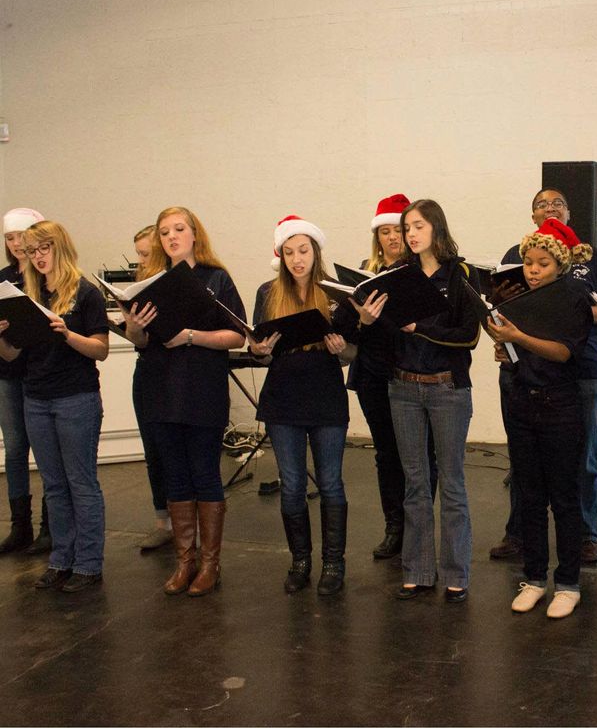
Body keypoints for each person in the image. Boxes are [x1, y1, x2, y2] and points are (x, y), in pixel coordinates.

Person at [489, 188, 597, 564]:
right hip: (523, 368)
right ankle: (519, 535)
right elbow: (501, 307)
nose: (549, 209)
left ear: (569, 214)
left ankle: (584, 537)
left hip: (584, 371)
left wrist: (573, 314)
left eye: (557, 204)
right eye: (541, 205)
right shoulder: (515, 257)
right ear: (532, 217)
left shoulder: (593, 260)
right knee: (523, 460)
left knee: (583, 461)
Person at [125, 206, 245, 597]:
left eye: (179, 229)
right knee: (174, 474)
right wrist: (134, 329)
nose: (172, 236)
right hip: (160, 387)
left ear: (196, 234)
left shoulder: (216, 278)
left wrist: (192, 335)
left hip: (202, 388)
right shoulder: (148, 282)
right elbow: (142, 343)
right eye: (164, 232)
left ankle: (210, 564)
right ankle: (184, 561)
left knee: (204, 473)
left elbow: (237, 336)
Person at [487, 219, 593, 619]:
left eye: (542, 263)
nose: (532, 270)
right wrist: (506, 352)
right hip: (522, 402)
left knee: (564, 498)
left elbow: (564, 352)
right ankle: (533, 578)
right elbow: (510, 344)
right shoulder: (519, 298)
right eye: (528, 262)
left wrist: (519, 340)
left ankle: (568, 583)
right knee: (529, 494)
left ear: (559, 265)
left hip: (561, 406)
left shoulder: (574, 298)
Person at [377, 199, 480, 603]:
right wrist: (370, 318)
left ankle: (457, 573)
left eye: (417, 225)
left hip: (447, 388)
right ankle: (418, 571)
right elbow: (387, 337)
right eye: (405, 228)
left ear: (436, 227)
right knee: (415, 483)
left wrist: (419, 325)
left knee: (452, 483)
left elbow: (469, 335)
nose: (410, 234)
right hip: (403, 387)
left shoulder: (461, 274)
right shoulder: (397, 275)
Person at [250, 215, 358, 594]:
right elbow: (259, 351)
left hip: (326, 397)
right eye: (290, 252)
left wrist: (343, 350)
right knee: (293, 484)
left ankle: (333, 564)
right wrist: (259, 351)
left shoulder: (335, 294)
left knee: (330, 482)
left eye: (304, 251)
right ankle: (300, 561)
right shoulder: (267, 293)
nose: (297, 259)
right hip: (283, 400)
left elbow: (353, 352)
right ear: (281, 255)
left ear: (316, 252)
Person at [0, 220, 109, 592]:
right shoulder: (26, 296)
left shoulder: (86, 293)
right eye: (31, 251)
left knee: (81, 483)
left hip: (75, 397)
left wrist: (67, 333)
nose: (37, 257)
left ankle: (89, 564)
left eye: (43, 248)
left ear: (59, 247)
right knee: (54, 484)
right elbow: (12, 354)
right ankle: (62, 558)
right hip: (36, 397)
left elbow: (101, 350)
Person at [348, 194, 438, 560]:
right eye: (384, 231)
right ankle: (394, 526)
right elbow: (353, 331)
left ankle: (420, 525)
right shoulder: (364, 273)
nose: (392, 237)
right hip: (372, 372)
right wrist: (361, 319)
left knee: (419, 454)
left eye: (397, 230)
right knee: (386, 452)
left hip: (410, 369)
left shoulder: (419, 272)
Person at [119, 225, 174, 552]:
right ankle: (162, 521)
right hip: (149, 370)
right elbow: (139, 341)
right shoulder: (139, 287)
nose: (140, 261)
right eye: (138, 254)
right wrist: (131, 326)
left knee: (175, 450)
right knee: (153, 450)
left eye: (145, 254)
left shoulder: (175, 282)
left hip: (178, 371)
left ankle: (186, 524)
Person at [0, 207, 49, 555]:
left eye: (22, 236)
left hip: (38, 371)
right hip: (7, 372)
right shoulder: (1, 277)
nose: (17, 243)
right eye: (10, 238)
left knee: (47, 450)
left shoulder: (45, 276)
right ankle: (21, 527)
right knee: (15, 449)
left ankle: (52, 525)